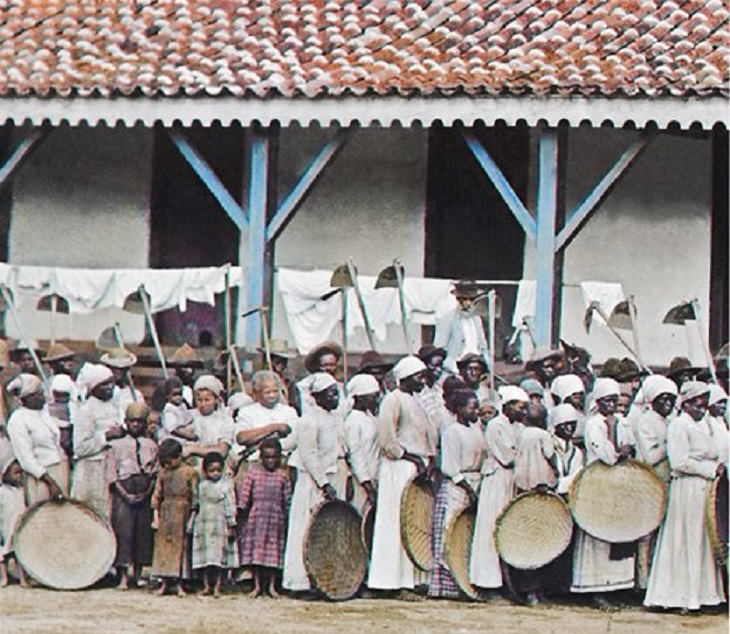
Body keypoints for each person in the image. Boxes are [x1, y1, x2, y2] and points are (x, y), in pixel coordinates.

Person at [644, 381, 726, 613]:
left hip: (705, 490)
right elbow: (679, 461)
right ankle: (679, 596)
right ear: (687, 404)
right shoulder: (679, 426)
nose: (701, 410)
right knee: (685, 538)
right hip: (687, 489)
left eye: (703, 406)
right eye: (697, 406)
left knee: (702, 539)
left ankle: (703, 595)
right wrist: (710, 469)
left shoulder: (708, 425)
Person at [368, 356, 432, 593]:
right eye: (418, 376)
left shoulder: (416, 401)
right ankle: (390, 582)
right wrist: (412, 458)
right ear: (404, 378)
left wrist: (427, 460)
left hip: (415, 469)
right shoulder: (392, 400)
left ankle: (411, 580)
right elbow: (387, 440)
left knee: (412, 523)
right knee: (394, 522)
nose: (422, 381)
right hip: (398, 468)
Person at [572, 378, 636, 606]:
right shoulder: (593, 425)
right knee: (598, 533)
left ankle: (617, 587)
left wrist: (623, 451)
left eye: (614, 400)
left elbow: (630, 446)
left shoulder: (623, 422)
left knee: (617, 533)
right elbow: (606, 455)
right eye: (607, 400)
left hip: (618, 483)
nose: (611, 405)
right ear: (597, 402)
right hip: (598, 481)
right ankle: (597, 589)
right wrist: (619, 452)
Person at [283, 373, 341, 592]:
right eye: (331, 393)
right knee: (305, 529)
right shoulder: (308, 420)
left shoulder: (332, 418)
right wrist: (323, 483)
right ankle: (300, 581)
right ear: (317, 396)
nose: (336, 397)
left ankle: (322, 578)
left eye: (337, 392)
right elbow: (308, 454)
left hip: (327, 478)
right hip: (311, 482)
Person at [470, 385, 527, 593]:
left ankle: (507, 583)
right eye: (520, 407)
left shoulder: (519, 428)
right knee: (491, 528)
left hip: (512, 480)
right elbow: (508, 457)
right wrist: (523, 456)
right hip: (497, 480)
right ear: (508, 406)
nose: (523, 412)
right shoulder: (496, 426)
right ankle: (487, 582)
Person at [428, 389, 483, 599]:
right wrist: (468, 488)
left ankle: (463, 580)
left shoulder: (477, 431)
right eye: (472, 408)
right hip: (456, 486)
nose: (476, 411)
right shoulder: (452, 432)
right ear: (460, 409)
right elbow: (449, 467)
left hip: (475, 481)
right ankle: (445, 586)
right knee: (448, 532)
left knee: (465, 535)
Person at [632, 375, 678, 592]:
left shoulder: (670, 421)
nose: (668, 404)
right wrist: (671, 442)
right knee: (647, 534)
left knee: (664, 533)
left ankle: (661, 581)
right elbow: (650, 456)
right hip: (652, 480)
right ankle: (643, 582)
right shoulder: (645, 421)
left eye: (671, 399)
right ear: (653, 401)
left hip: (670, 482)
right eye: (663, 399)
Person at [109, 402, 157, 590]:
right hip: (123, 490)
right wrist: (125, 494)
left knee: (142, 533)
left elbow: (154, 472)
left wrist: (146, 492)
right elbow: (112, 474)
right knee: (124, 532)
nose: (135, 425)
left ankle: (136, 575)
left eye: (139, 421)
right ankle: (122, 576)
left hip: (144, 489)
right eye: (132, 421)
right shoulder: (116, 446)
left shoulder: (151, 445)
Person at [237, 437, 291, 598]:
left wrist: (286, 516)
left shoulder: (282, 476)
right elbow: (245, 497)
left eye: (274, 457)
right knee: (258, 553)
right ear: (261, 457)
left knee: (273, 553)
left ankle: (272, 586)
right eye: (266, 457)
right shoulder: (253, 475)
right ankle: (257, 586)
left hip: (275, 518)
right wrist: (241, 512)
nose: (270, 461)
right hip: (257, 517)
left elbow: (286, 499)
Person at [6, 374, 68, 504]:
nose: (42, 397)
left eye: (41, 393)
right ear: (24, 399)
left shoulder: (44, 413)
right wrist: (50, 482)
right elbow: (26, 459)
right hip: (40, 477)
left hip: (58, 469)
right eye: (36, 395)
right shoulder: (18, 420)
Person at [72, 363, 124, 520]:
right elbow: (80, 447)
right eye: (104, 384)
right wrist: (105, 437)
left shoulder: (113, 406)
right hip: (90, 470)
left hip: (108, 467)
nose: (109, 387)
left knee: (106, 514)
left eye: (111, 382)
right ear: (94, 388)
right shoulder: (86, 410)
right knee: (88, 515)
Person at [151, 438, 197, 597]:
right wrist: (156, 516)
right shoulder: (163, 472)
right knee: (164, 547)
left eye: (169, 462)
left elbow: (194, 498)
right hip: (166, 511)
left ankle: (179, 584)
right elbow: (157, 495)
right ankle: (164, 582)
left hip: (182, 512)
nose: (167, 466)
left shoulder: (189, 472)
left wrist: (191, 518)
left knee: (181, 548)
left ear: (178, 457)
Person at [190, 451, 237, 597]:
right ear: (205, 471)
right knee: (205, 558)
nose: (215, 473)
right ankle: (206, 586)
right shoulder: (201, 485)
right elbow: (196, 504)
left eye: (218, 470)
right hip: (203, 524)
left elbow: (230, 505)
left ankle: (217, 586)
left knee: (217, 558)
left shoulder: (225, 486)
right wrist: (192, 522)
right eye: (211, 470)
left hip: (219, 524)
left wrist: (231, 524)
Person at [234, 371, 296, 469]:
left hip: (282, 463)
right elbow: (242, 438)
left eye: (275, 391)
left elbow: (291, 442)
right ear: (256, 393)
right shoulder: (247, 411)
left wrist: (259, 438)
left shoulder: (289, 411)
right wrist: (272, 428)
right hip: (254, 463)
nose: (272, 395)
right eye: (267, 392)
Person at [344, 374, 381, 513]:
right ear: (360, 397)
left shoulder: (370, 417)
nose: (376, 400)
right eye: (372, 396)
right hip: (362, 482)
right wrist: (367, 486)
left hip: (375, 476)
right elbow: (356, 455)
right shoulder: (353, 421)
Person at [434, 279, 489, 373]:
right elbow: (439, 349)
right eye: (464, 299)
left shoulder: (477, 319)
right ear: (458, 299)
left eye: (472, 299)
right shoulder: (448, 319)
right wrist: (452, 368)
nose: (468, 303)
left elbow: (483, 347)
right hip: (456, 369)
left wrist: (488, 366)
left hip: (476, 368)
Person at [185, 375, 234, 467]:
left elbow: (222, 451)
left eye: (207, 400)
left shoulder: (225, 420)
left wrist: (192, 449)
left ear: (216, 400)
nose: (203, 404)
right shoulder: (187, 416)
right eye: (199, 400)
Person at [0, 453, 27, 587]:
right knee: (3, 554)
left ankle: (22, 578)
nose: (19, 476)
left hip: (18, 524)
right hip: (5, 525)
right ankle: (4, 577)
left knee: (19, 552)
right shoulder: (2, 492)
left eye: (20, 473)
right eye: (16, 473)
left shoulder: (21, 490)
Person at [100, 348, 145, 412]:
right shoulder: (100, 392)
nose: (118, 372)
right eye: (115, 368)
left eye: (122, 369)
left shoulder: (134, 395)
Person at [46, 374, 75, 461]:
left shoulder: (75, 406)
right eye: (58, 395)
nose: (61, 398)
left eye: (64, 395)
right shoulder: (48, 408)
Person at [157, 376, 195, 443]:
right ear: (167, 396)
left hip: (184, 431)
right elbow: (173, 429)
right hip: (173, 438)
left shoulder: (182, 405)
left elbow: (189, 418)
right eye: (175, 395)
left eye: (180, 394)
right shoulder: (169, 410)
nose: (178, 397)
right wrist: (188, 436)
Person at [167, 343, 204, 408]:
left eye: (191, 367)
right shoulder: (170, 388)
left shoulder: (196, 387)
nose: (188, 371)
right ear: (177, 368)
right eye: (184, 367)